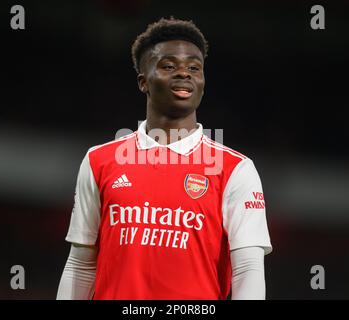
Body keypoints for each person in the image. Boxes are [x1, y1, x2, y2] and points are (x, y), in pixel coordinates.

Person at [56, 17, 272, 300]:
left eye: (194, 68)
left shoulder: (236, 170)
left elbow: (248, 269)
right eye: (169, 66)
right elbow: (81, 264)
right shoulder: (99, 161)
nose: (184, 74)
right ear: (143, 82)